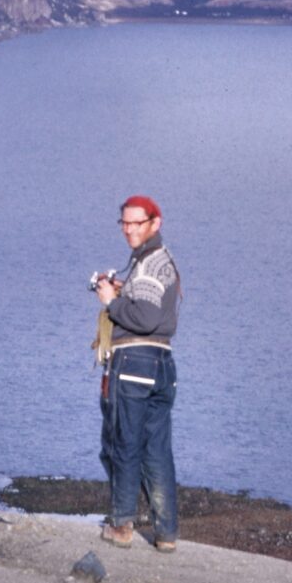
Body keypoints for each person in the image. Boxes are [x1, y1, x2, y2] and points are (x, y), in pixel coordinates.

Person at [94, 193, 180, 551]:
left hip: (133, 364)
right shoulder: (162, 263)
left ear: (154, 223)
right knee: (157, 449)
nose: (129, 230)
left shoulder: (148, 264)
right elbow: (154, 311)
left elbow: (143, 318)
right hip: (163, 364)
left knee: (123, 443)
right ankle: (166, 533)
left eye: (136, 223)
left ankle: (122, 526)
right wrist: (123, 291)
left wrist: (111, 302)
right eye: (124, 223)